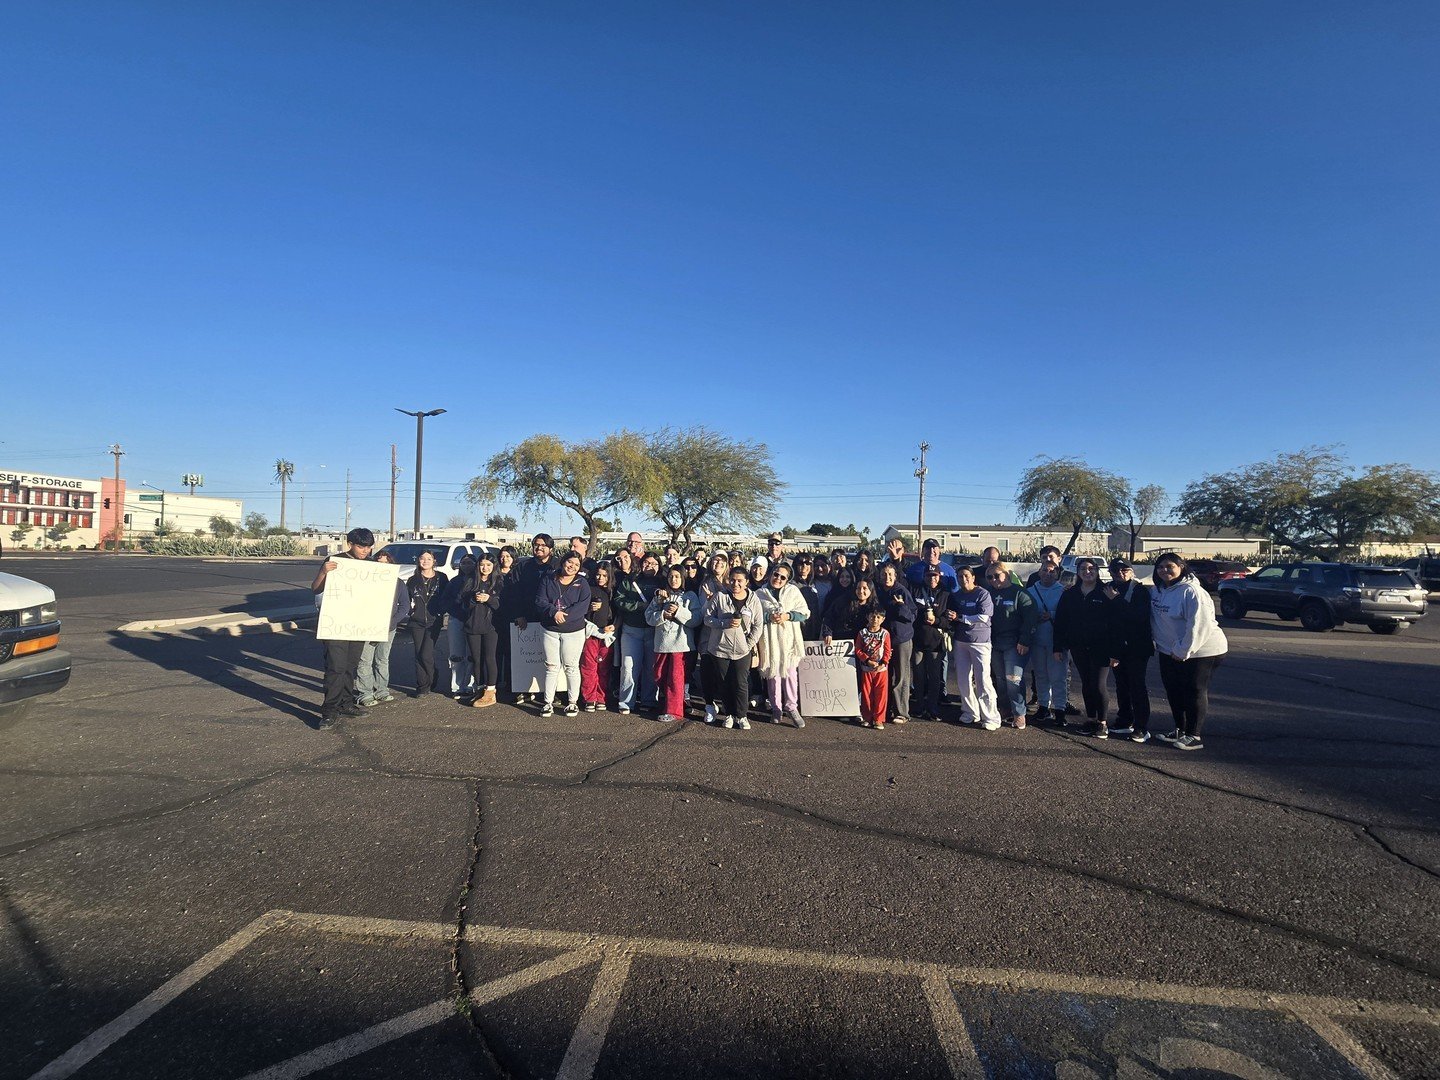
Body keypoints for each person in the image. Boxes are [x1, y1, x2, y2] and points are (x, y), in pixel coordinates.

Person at [1150, 553, 1228, 750]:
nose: (1164, 570)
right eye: (1160, 567)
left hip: (1202, 650)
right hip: (1169, 650)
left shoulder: (1192, 592)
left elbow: (1199, 625)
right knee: (1173, 690)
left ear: (1181, 567)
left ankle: (1194, 735)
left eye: (1170, 566)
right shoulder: (1158, 590)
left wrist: (1185, 649)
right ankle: (1179, 729)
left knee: (1194, 690)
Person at [310, 527, 376, 727]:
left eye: (368, 547)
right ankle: (329, 710)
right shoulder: (335, 561)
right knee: (336, 668)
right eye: (361, 546)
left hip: (358, 623)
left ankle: (346, 703)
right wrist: (323, 572)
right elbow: (315, 588)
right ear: (350, 544)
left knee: (350, 667)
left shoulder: (371, 565)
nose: (365, 551)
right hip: (336, 623)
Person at [1053, 557, 1116, 738]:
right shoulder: (1070, 593)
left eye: (1091, 568)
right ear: (1077, 572)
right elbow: (1061, 621)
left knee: (1098, 685)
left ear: (1097, 571)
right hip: (1078, 646)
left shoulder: (1107, 592)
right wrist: (1058, 646)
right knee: (1086, 684)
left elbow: (1116, 622)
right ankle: (1090, 719)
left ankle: (1102, 723)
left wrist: (1115, 651)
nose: (1087, 572)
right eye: (1082, 569)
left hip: (1102, 647)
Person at [701, 566, 764, 730]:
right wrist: (723, 623)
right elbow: (707, 618)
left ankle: (742, 715)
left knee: (741, 683)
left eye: (740, 581)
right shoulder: (720, 596)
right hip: (720, 648)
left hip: (743, 650)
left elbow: (758, 625)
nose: (736, 584)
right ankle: (729, 714)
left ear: (746, 582)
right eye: (733, 580)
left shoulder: (753, 599)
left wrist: (748, 644)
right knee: (724, 682)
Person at [754, 561, 810, 727]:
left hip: (789, 641)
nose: (778, 578)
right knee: (773, 676)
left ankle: (792, 707)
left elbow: (804, 612)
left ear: (787, 580)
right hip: (769, 642)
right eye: (776, 574)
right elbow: (754, 617)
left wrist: (788, 616)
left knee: (791, 675)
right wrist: (768, 618)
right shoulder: (759, 594)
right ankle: (776, 708)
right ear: (771, 574)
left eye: (782, 577)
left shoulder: (793, 591)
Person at [536, 551, 591, 718]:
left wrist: (564, 617)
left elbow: (583, 605)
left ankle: (572, 702)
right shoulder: (548, 579)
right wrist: (554, 612)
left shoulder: (582, 583)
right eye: (569, 562)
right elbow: (540, 601)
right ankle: (547, 703)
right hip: (550, 630)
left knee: (571, 667)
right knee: (551, 667)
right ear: (563, 561)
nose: (572, 566)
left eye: (576, 564)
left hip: (574, 631)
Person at [1103, 557, 1153, 740]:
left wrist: (1116, 600)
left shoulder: (1140, 591)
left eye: (1124, 570)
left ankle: (1142, 726)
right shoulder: (1107, 588)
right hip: (1116, 646)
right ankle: (1125, 720)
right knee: (1121, 685)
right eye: (1115, 571)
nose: (1120, 573)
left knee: (1137, 685)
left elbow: (1137, 616)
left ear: (1132, 571)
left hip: (1137, 646)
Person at [983, 562, 1038, 728]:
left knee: (1013, 679)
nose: (994, 579)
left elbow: (1030, 618)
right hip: (994, 643)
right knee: (1000, 679)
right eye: (989, 577)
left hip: (1014, 644)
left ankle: (1019, 713)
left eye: (997, 575)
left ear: (1006, 575)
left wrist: (1025, 640)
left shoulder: (1019, 593)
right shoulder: (988, 593)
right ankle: (1005, 709)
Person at [947, 566, 1001, 730]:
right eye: (960, 576)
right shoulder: (956, 596)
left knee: (983, 679)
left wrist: (961, 618)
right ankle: (970, 712)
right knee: (963, 679)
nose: (963, 579)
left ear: (973, 577)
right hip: (961, 641)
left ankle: (991, 717)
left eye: (966, 576)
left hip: (980, 642)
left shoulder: (983, 594)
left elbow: (984, 617)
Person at [646, 564, 700, 723]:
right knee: (659, 675)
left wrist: (678, 612)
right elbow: (648, 617)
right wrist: (662, 612)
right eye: (670, 576)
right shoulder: (660, 596)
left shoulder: (690, 596)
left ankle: (674, 710)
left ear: (683, 578)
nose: (673, 579)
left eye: (677, 576)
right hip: (662, 644)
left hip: (680, 645)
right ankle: (667, 704)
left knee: (675, 679)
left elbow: (696, 619)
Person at [509, 534, 559, 704]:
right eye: (536, 545)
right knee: (527, 655)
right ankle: (523, 688)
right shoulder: (523, 567)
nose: (539, 548)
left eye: (543, 545)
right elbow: (514, 593)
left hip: (550, 617)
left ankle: (555, 692)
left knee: (550, 657)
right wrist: (518, 614)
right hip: (527, 617)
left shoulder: (558, 566)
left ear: (550, 548)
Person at [355, 551, 408, 708]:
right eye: (379, 563)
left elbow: (404, 606)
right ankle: (365, 693)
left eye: (386, 563)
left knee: (382, 659)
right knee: (364, 660)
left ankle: (381, 690)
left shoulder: (398, 583)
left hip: (388, 628)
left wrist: (391, 623)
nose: (382, 566)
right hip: (367, 626)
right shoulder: (365, 581)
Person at [612, 548, 658, 715]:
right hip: (631, 630)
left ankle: (648, 700)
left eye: (654, 563)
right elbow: (619, 600)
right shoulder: (631, 580)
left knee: (650, 668)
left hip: (653, 631)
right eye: (646, 562)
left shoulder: (662, 582)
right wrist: (639, 606)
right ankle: (626, 702)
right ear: (641, 563)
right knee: (629, 667)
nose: (650, 566)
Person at [1025, 562, 1069, 725]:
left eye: (1052, 571)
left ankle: (1060, 709)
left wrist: (1050, 614)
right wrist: (1036, 617)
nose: (1048, 574)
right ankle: (1043, 706)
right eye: (1045, 570)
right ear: (1039, 572)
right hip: (1037, 640)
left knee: (1058, 676)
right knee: (1041, 674)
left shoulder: (1063, 591)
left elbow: (1067, 615)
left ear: (1057, 574)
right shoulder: (1030, 591)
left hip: (1056, 641)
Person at [461, 552, 504, 708]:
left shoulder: (499, 582)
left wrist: (489, 599)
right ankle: (478, 688)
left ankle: (490, 691)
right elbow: (463, 605)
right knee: (476, 659)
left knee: (489, 658)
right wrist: (473, 599)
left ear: (494, 566)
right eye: (482, 564)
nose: (485, 568)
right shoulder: (470, 581)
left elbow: (502, 606)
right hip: (472, 625)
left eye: (488, 565)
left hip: (491, 627)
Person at [404, 550, 448, 697]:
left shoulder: (442, 578)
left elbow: (446, 597)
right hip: (416, 621)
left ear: (434, 561)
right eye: (422, 558)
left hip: (433, 621)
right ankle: (422, 686)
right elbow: (406, 599)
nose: (425, 561)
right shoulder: (412, 580)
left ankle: (432, 675)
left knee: (426, 654)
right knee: (418, 653)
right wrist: (410, 611)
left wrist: (441, 611)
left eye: (429, 558)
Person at [910, 565, 952, 720]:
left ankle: (933, 708)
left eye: (935, 576)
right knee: (919, 677)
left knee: (935, 677)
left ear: (939, 576)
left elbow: (950, 621)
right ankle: (919, 707)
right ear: (924, 576)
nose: (932, 579)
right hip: (918, 640)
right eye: (928, 575)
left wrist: (937, 620)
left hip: (936, 641)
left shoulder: (946, 594)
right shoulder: (916, 591)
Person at [877, 563, 915, 725]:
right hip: (882, 638)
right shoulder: (878, 591)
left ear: (895, 576)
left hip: (901, 638)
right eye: (884, 574)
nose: (887, 577)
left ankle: (902, 712)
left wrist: (901, 606)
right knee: (885, 674)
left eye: (890, 574)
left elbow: (912, 616)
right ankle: (885, 709)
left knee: (901, 676)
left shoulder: (901, 591)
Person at [438, 555, 477, 697]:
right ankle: (458, 686)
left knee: (471, 655)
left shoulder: (478, 581)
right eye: (463, 563)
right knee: (456, 655)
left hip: (474, 621)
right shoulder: (454, 582)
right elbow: (445, 601)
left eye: (470, 563)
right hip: (456, 620)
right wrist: (455, 611)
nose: (466, 565)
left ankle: (471, 684)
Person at [579, 563, 616, 711]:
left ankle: (601, 697)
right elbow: (579, 610)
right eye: (598, 575)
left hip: (608, 635)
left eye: (604, 575)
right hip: (591, 633)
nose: (600, 578)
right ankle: (589, 698)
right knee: (588, 666)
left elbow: (618, 614)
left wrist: (614, 626)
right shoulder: (588, 589)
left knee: (604, 667)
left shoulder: (613, 592)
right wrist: (589, 608)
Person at [854, 608, 892, 729]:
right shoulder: (862, 633)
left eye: (878, 617)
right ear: (868, 617)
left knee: (881, 695)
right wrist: (867, 660)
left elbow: (887, 650)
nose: (875, 619)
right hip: (866, 668)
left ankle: (878, 719)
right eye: (872, 616)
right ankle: (867, 717)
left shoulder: (885, 633)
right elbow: (858, 649)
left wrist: (883, 663)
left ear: (883, 619)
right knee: (866, 694)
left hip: (881, 670)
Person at [494, 546, 519, 693]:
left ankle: (511, 682)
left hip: (512, 616)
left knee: (511, 652)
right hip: (496, 616)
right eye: (503, 556)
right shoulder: (495, 574)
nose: (505, 559)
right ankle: (496, 682)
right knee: (496, 652)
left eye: (508, 556)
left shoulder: (516, 574)